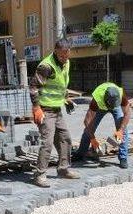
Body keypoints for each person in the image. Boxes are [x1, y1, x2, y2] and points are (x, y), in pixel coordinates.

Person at [29, 39, 80, 188]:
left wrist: (66, 98)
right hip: (45, 110)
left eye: (67, 55)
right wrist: (36, 108)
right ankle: (40, 175)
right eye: (62, 56)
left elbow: (61, 83)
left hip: (57, 109)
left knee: (65, 138)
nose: (65, 59)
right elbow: (33, 87)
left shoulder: (66, 62)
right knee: (47, 142)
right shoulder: (46, 66)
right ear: (56, 51)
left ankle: (63, 169)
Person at [73, 82, 131, 169]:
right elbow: (87, 122)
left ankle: (123, 158)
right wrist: (92, 139)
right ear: (106, 100)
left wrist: (121, 130)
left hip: (115, 106)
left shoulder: (121, 95)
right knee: (88, 131)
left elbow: (127, 113)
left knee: (123, 130)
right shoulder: (97, 99)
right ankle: (81, 153)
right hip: (101, 108)